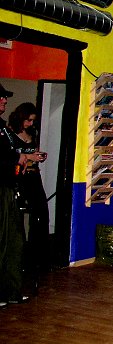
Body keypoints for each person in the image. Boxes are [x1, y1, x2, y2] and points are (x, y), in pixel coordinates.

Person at [0, 84, 45, 306]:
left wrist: (23, 158)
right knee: (3, 240)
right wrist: (18, 159)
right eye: (1, 97)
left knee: (15, 240)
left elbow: (12, 153)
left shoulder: (2, 128)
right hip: (3, 186)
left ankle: (11, 291)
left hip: (11, 186)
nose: (4, 100)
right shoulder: (7, 129)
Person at [8, 102, 49, 275]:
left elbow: (33, 153)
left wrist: (38, 156)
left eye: (33, 121)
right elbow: (11, 155)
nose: (30, 124)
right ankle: (20, 257)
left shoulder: (32, 133)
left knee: (41, 212)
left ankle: (37, 256)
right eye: (28, 120)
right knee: (17, 215)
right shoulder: (10, 133)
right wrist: (28, 156)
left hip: (33, 176)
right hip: (20, 177)